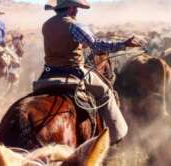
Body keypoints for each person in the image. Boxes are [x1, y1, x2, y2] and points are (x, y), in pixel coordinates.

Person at [41, 0, 141, 144]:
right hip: (73, 70)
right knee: (106, 92)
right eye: (76, 9)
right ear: (71, 9)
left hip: (48, 72)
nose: (77, 11)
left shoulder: (46, 25)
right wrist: (123, 44)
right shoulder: (73, 25)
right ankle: (116, 135)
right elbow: (96, 45)